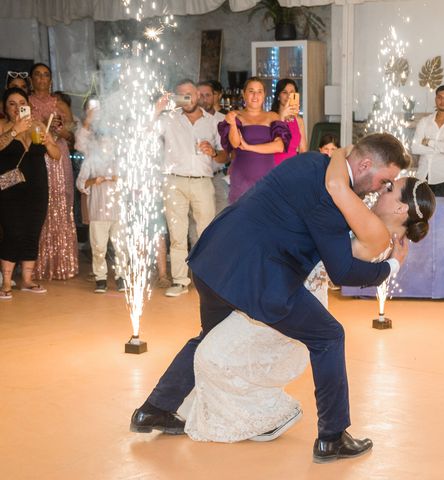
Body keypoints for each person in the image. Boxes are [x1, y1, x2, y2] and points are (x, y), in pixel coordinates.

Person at [130, 133, 411, 463]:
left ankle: (153, 410)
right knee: (329, 336)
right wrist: (390, 268)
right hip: (259, 276)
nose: (382, 187)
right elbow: (343, 272)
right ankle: (332, 437)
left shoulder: (310, 162)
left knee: (210, 337)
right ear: (365, 164)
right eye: (384, 179)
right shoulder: (332, 199)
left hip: (214, 258)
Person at [178, 148, 435, 444]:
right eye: (387, 181)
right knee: (221, 347)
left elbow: (337, 188)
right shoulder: (368, 219)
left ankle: (329, 434)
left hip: (290, 289)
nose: (384, 189)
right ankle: (326, 435)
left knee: (227, 348)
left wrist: (338, 154)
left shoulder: (375, 230)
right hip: (283, 283)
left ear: (401, 210)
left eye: (392, 188)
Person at [156, 79, 226, 297]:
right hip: (174, 181)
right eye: (181, 95)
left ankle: (208, 280)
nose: (186, 99)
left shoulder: (213, 121)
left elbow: (225, 155)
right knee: (177, 234)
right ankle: (179, 281)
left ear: (197, 94)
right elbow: (145, 133)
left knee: (207, 233)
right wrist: (157, 109)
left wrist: (213, 153)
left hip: (203, 181)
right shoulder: (168, 119)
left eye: (189, 94)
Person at [0, 87, 60, 298]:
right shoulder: (2, 126)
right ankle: (6, 282)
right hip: (10, 188)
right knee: (13, 232)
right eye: (12, 104)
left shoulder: (38, 125)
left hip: (37, 188)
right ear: (5, 108)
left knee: (32, 232)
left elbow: (56, 154)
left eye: (21, 103)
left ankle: (26, 280)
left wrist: (47, 142)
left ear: (28, 106)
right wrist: (15, 130)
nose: (17, 107)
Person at [29, 62, 78, 280]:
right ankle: (36, 266)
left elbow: (72, 137)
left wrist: (59, 129)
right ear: (31, 78)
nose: (41, 78)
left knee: (61, 204)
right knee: (39, 205)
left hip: (59, 156)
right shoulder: (26, 102)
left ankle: (63, 263)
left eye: (46, 75)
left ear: (51, 79)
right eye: (37, 75)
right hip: (37, 157)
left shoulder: (60, 105)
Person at [75, 97, 126, 294]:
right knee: (99, 247)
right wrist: (92, 181)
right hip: (98, 209)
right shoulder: (91, 160)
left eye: (110, 141)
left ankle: (122, 276)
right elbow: (81, 182)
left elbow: (132, 181)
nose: (107, 144)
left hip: (119, 210)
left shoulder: (121, 160)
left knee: (121, 247)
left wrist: (119, 178)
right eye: (103, 141)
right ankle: (101, 278)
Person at [218, 77, 290, 203]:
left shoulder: (272, 116)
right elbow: (235, 143)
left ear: (264, 95)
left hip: (267, 176)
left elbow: (279, 146)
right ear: (244, 94)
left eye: (259, 91)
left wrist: (249, 147)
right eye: (251, 91)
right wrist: (233, 124)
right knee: (241, 217)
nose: (255, 95)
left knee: (267, 218)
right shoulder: (235, 115)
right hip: (241, 176)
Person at [411, 84, 444, 197]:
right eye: (439, 97)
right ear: (436, 99)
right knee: (421, 213)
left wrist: (428, 142)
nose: (442, 100)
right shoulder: (424, 121)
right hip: (422, 176)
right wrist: (443, 144)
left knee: (441, 212)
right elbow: (415, 148)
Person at [196, 80, 229, 216]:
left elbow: (228, 155)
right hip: (195, 179)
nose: (204, 99)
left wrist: (214, 152)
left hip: (217, 177)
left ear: (215, 96)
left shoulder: (223, 120)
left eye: (208, 95)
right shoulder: (184, 121)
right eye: (200, 95)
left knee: (220, 221)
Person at [271, 78, 307, 165]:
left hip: (292, 168)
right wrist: (282, 116)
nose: (288, 96)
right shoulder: (270, 117)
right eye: (284, 92)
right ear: (278, 96)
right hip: (273, 168)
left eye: (292, 93)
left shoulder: (299, 120)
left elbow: (303, 150)